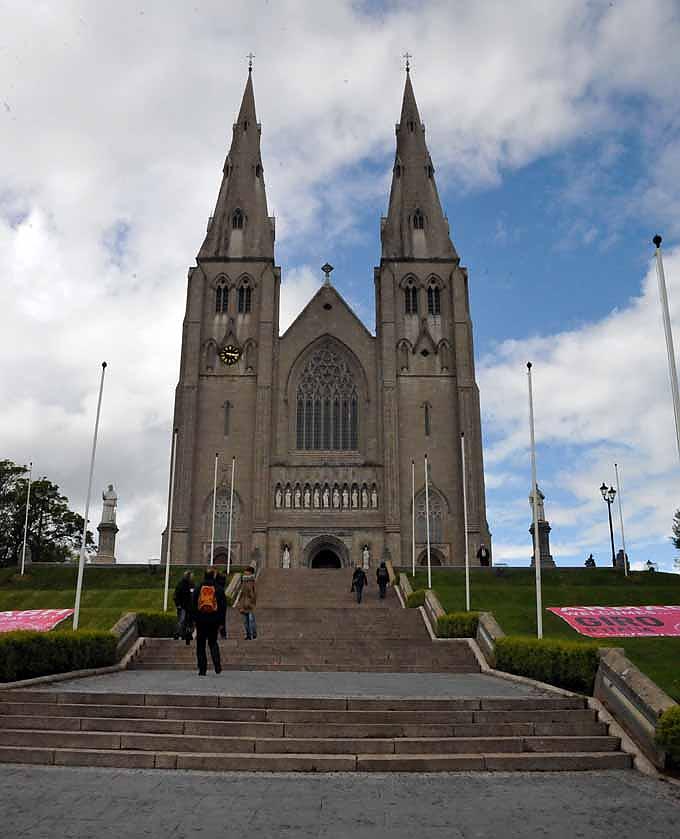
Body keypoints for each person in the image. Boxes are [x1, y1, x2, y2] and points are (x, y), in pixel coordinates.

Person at [192, 568, 226, 676]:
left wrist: (193, 620)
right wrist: (222, 623)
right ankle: (217, 666)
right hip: (214, 620)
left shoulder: (198, 588)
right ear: (213, 576)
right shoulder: (219, 589)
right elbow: (222, 608)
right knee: (213, 643)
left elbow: (192, 605)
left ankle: (202, 669)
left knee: (200, 645)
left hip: (201, 620)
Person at [173, 570, 194, 644]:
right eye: (191, 576)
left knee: (189, 622)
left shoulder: (191, 584)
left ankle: (187, 635)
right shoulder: (181, 584)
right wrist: (178, 605)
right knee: (182, 621)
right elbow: (176, 595)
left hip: (190, 607)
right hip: (182, 607)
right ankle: (177, 634)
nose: (192, 577)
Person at [239, 566, 257, 640]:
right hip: (244, 603)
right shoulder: (243, 581)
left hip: (249, 603)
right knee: (246, 621)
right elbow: (241, 592)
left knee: (251, 619)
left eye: (246, 571)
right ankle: (248, 635)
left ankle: (253, 633)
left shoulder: (252, 581)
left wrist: (252, 601)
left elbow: (254, 593)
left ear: (250, 572)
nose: (245, 572)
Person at [215, 569, 228, 639]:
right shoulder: (221, 588)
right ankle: (223, 634)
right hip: (222, 605)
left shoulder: (214, 586)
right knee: (222, 620)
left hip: (215, 604)